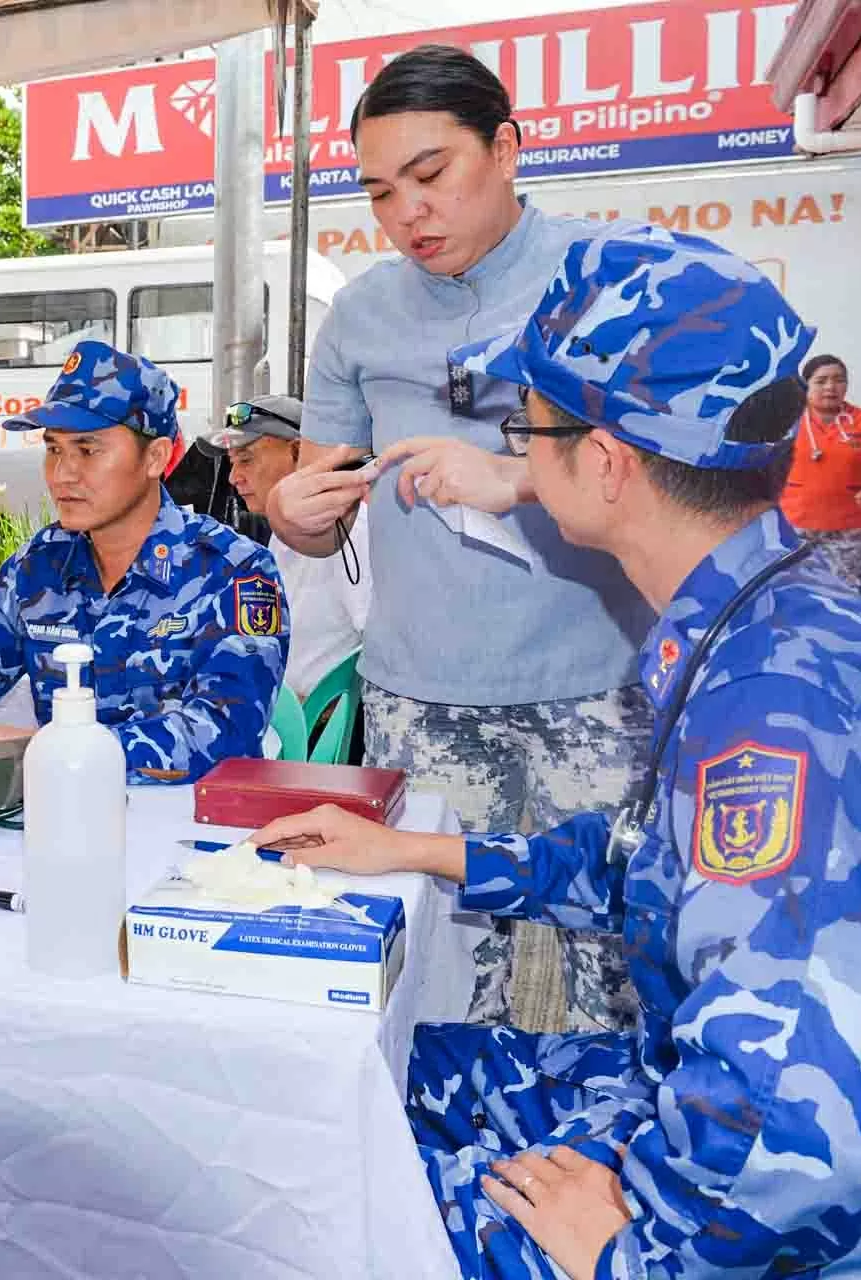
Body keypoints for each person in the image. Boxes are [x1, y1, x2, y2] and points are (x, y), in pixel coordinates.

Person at [255, 226, 861, 1278]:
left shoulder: (772, 706)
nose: (514, 455)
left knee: (320, 1196)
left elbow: (795, 1120)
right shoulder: (762, 615)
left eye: (530, 428)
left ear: (604, 463)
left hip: (767, 1225)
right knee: (357, 1073)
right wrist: (427, 852)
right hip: (702, 1118)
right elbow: (658, 866)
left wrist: (627, 1253)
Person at [262, 46, 653, 1033]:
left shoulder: (605, 278)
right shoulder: (360, 314)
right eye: (382, 193)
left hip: (594, 691)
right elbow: (326, 497)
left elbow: (683, 473)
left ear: (508, 148)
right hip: (422, 700)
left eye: (432, 176)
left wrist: (521, 475)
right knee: (442, 980)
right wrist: (293, 516)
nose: (407, 216)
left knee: (611, 975)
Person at [0, 341, 287, 783]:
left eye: (88, 450)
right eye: (54, 450)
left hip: (186, 833)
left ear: (154, 458)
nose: (62, 474)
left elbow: (226, 732)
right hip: (61, 823)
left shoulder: (232, 570)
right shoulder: (42, 565)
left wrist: (45, 751)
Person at [203, 394, 370, 702]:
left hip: (318, 733)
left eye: (247, 459)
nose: (233, 477)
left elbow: (381, 647)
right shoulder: (282, 534)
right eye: (231, 462)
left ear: (298, 452)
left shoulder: (350, 529)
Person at [780, 352, 861, 587]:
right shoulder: (787, 420)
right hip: (792, 526)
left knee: (841, 592)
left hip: (848, 530)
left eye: (839, 379)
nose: (831, 387)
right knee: (792, 588)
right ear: (805, 385)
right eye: (821, 380)